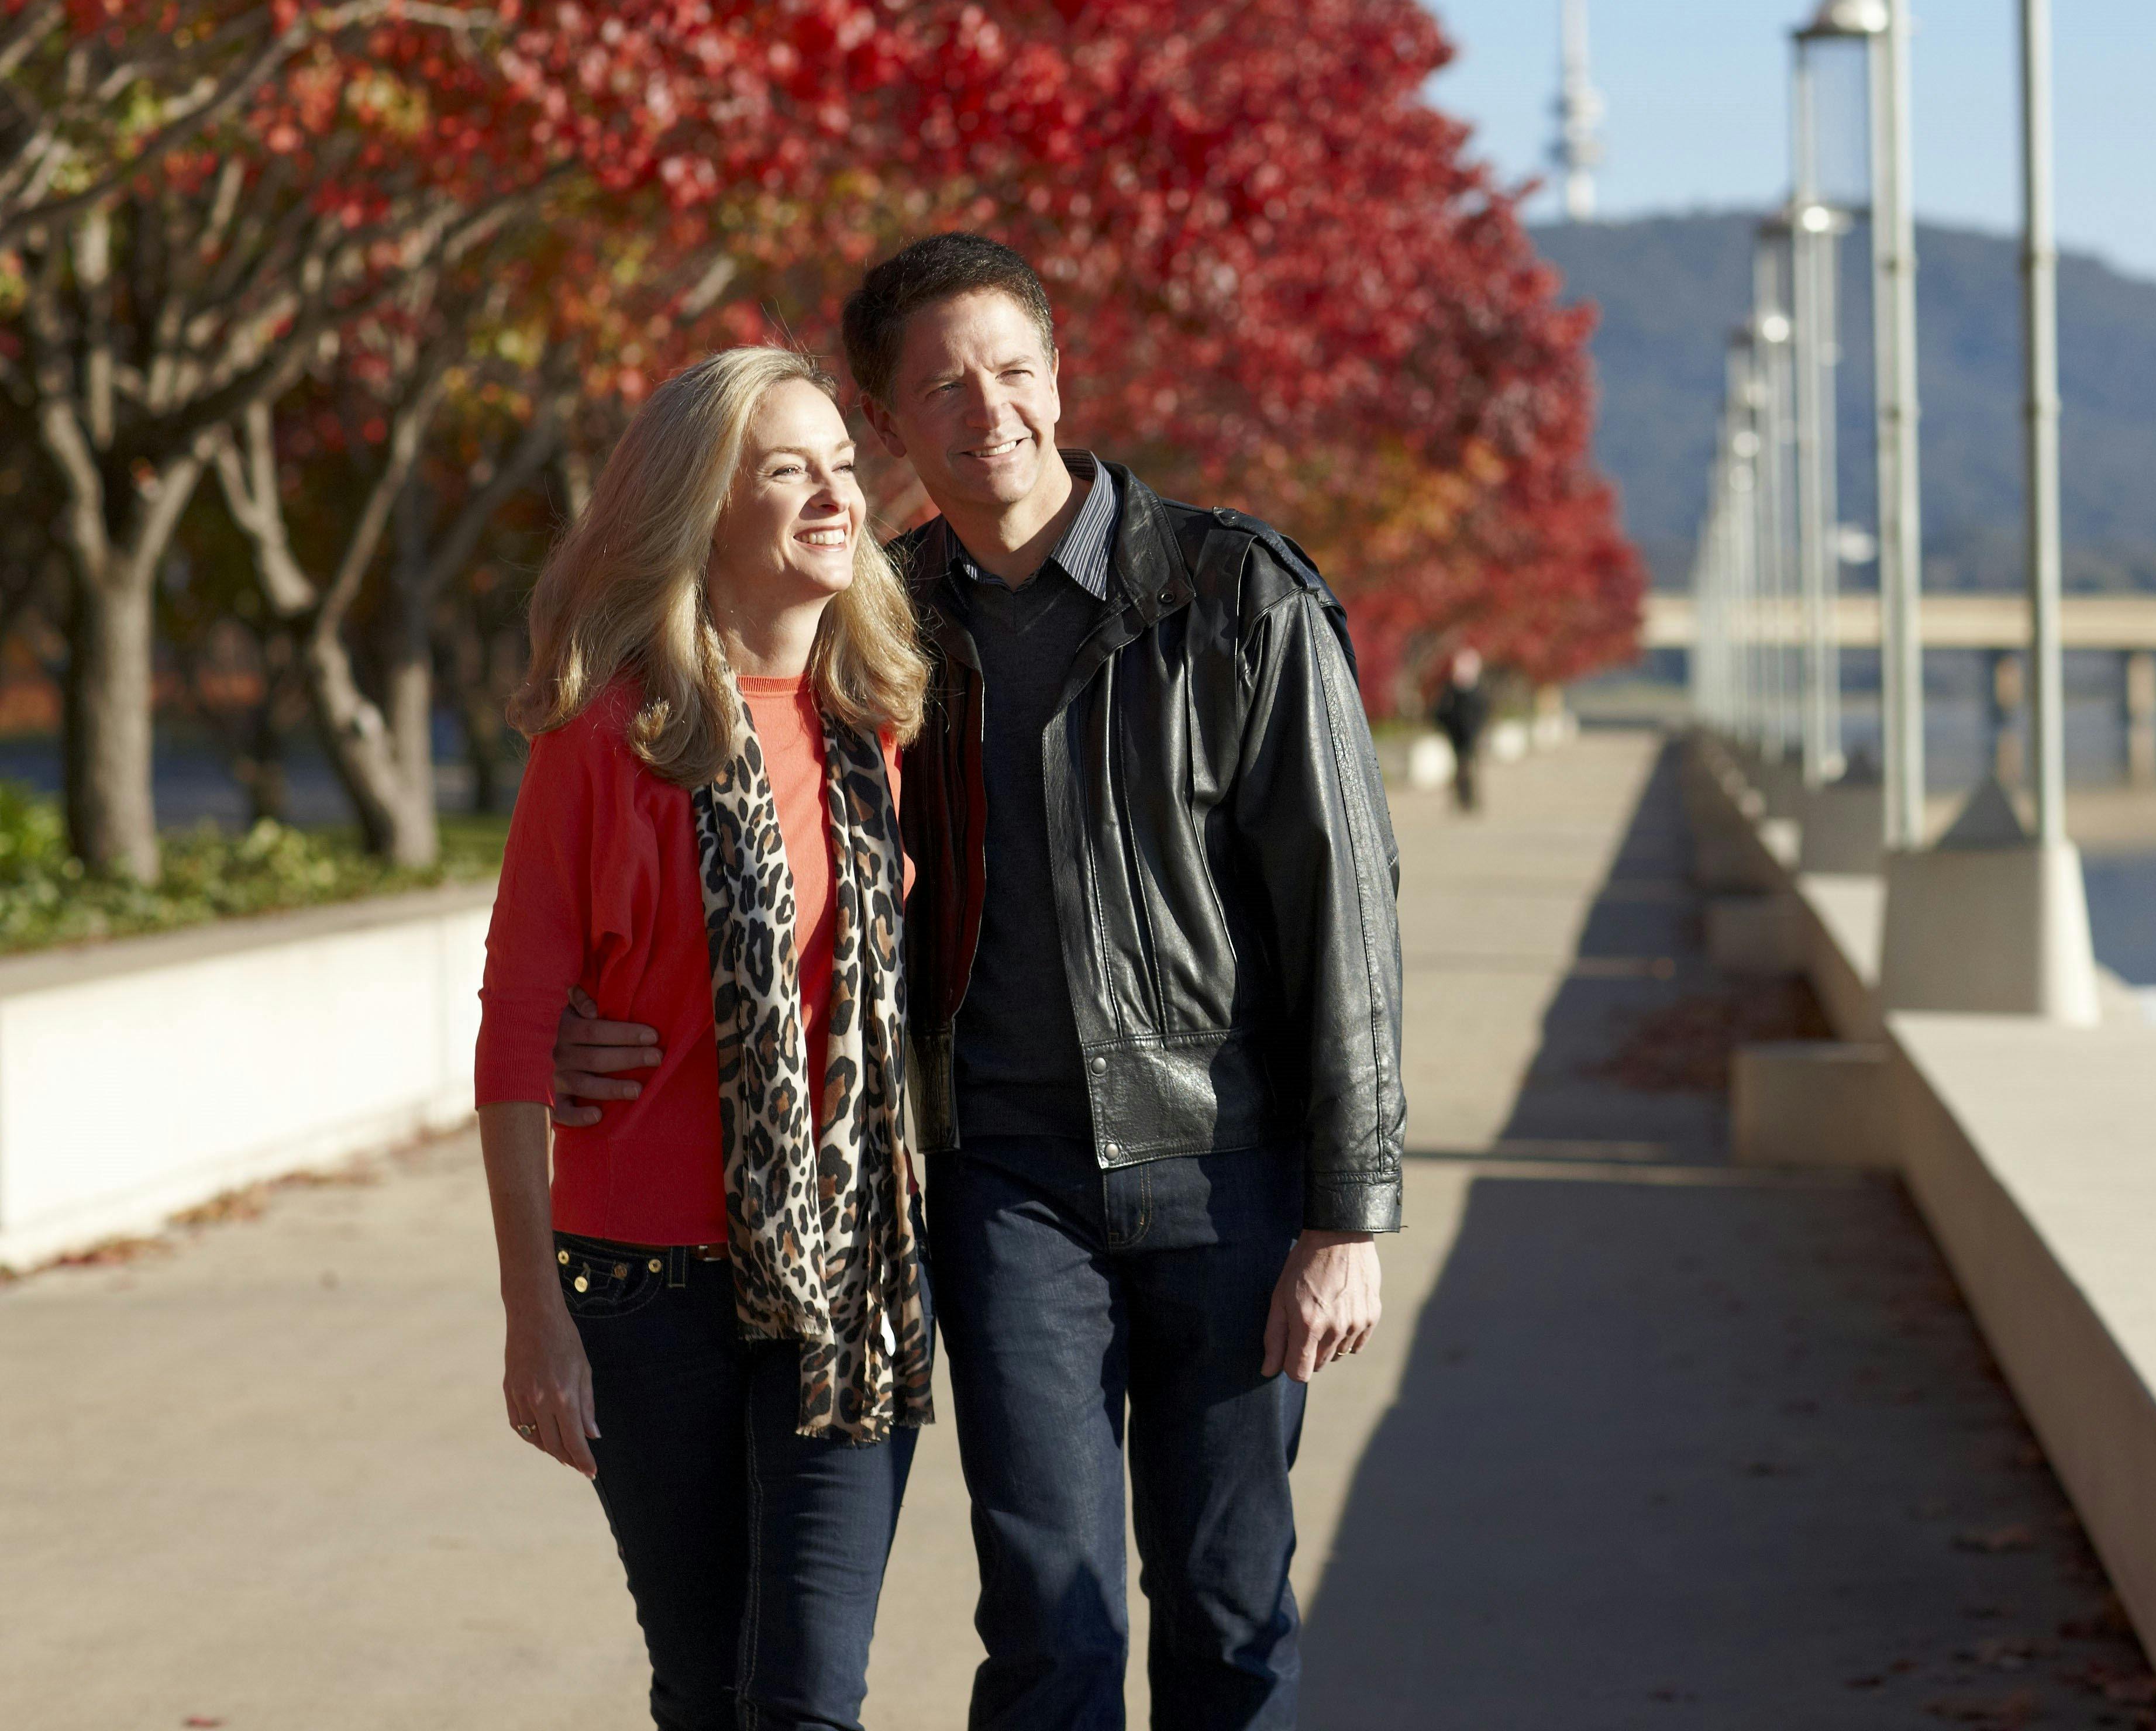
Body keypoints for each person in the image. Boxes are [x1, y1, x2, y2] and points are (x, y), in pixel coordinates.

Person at [555, 233, 1407, 1730]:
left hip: (1228, 1167)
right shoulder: (870, 625)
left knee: (1225, 1604)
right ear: (888, 422)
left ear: (1060, 379)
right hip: (1003, 1178)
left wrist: (1349, 1211)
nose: (988, 407)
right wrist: (577, 1015)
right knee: (1043, 1605)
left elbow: (1347, 915)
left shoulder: (1237, 594)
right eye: (941, 383)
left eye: (1013, 369)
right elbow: (744, 850)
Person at [473, 348, 934, 1731]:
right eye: (789, 468)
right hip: (639, 1289)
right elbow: (510, 1035)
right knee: (706, 1684)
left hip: (848, 1280)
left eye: (842, 467)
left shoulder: (889, 724)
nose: (833, 494)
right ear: (699, 503)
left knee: (804, 1696)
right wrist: (530, 1312)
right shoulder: (608, 735)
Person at [1430, 646, 1492, 813]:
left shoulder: (1477, 691)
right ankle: (1462, 800)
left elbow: (1482, 712)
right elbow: (1441, 712)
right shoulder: (1451, 690)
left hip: (1471, 735)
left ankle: (1470, 800)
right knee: (1460, 768)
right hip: (1456, 736)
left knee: (1470, 768)